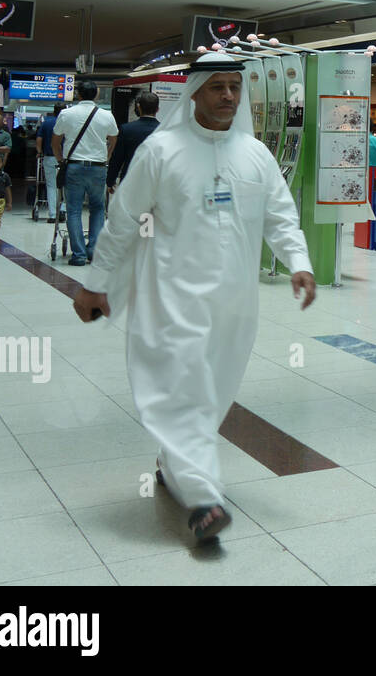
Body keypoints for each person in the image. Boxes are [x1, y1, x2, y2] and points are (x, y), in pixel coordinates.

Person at [71, 53, 316, 541]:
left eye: (234, 87)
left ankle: (171, 464)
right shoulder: (162, 150)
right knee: (183, 389)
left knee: (213, 392)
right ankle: (204, 499)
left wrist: (300, 263)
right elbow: (123, 218)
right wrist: (96, 281)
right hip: (171, 296)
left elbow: (280, 215)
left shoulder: (255, 155)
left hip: (235, 303)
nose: (228, 96)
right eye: (217, 87)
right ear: (196, 92)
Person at [53, 81, 118, 266]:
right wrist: (107, 156)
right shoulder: (107, 116)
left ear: (78, 95)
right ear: (96, 94)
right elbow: (113, 139)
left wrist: (60, 160)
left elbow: (55, 141)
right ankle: (94, 251)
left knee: (73, 210)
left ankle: (79, 255)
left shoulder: (66, 114)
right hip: (98, 167)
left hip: (74, 166)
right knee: (97, 209)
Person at [107, 91, 161, 193]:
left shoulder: (127, 129)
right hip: (155, 183)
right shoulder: (164, 130)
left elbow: (117, 158)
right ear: (157, 109)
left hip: (129, 181)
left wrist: (110, 181)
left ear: (138, 108)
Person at [35, 103, 65, 223]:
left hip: (49, 157)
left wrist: (39, 152)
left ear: (54, 111)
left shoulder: (46, 123)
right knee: (64, 185)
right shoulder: (68, 123)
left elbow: (39, 139)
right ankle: (63, 210)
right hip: (65, 158)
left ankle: (52, 215)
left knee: (51, 186)